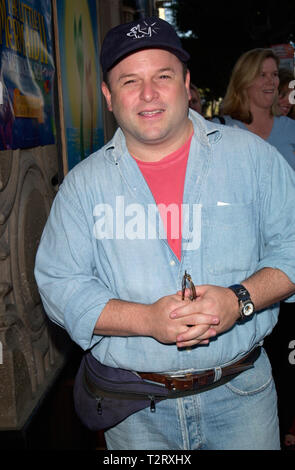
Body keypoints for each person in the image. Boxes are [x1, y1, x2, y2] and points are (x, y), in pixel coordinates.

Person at [34, 17, 295, 450]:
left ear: (186, 83)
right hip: (137, 413)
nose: (148, 94)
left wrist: (239, 299)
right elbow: (61, 284)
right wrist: (146, 320)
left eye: (163, 76)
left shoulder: (254, 160)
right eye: (130, 81)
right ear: (108, 95)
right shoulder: (84, 186)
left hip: (242, 398)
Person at [217, 48, 295, 170]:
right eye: (262, 75)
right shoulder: (219, 129)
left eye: (274, 74)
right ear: (244, 81)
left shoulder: (290, 128)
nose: (271, 81)